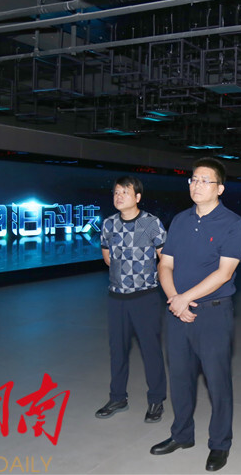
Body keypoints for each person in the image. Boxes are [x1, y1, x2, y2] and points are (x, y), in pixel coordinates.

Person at [149, 158, 241, 472]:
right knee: (179, 378)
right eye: (193, 179)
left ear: (220, 188)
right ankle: (182, 434)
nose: (197, 185)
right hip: (178, 312)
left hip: (213, 314)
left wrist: (184, 299)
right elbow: (165, 264)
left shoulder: (232, 223)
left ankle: (220, 444)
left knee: (218, 382)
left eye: (205, 180)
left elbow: (224, 273)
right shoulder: (179, 220)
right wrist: (174, 300)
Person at [96, 176, 167, 423]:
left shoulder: (151, 223)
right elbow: (107, 257)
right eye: (116, 192)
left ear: (137, 197)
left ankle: (156, 399)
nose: (119, 197)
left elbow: (165, 258)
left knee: (150, 350)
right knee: (117, 350)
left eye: (124, 192)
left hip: (145, 297)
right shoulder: (108, 224)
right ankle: (118, 397)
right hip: (116, 297)